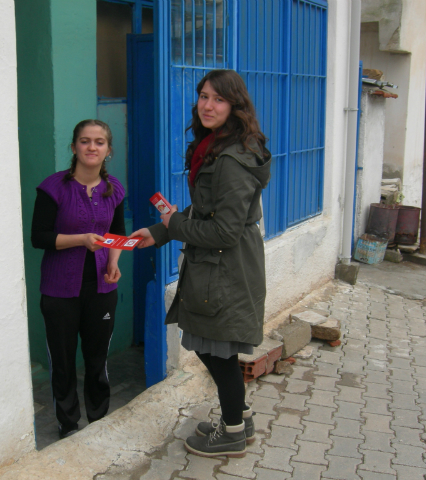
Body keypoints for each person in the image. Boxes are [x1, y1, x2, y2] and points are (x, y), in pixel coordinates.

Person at [131, 69, 272, 458]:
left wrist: (174, 225)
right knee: (215, 347)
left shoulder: (232, 158)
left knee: (217, 350)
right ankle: (239, 416)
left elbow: (225, 230)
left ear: (235, 106)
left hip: (227, 266)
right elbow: (208, 209)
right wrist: (160, 232)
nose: (207, 105)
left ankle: (231, 434)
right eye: (203, 96)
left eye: (219, 99)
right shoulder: (216, 145)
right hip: (217, 264)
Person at [31, 119, 125, 439]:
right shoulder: (53, 187)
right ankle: (68, 424)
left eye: (99, 142)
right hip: (59, 290)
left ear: (108, 150)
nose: (92, 147)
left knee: (97, 359)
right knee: (63, 360)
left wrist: (113, 262)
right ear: (74, 148)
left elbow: (117, 235)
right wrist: (80, 239)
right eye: (85, 141)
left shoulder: (115, 191)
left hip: (101, 288)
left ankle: (99, 420)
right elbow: (39, 237)